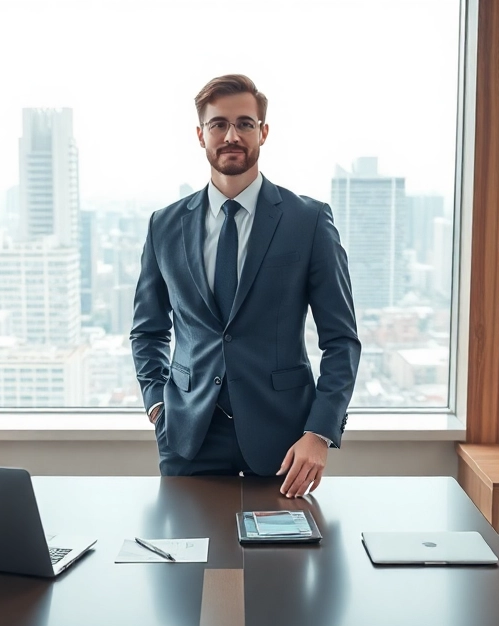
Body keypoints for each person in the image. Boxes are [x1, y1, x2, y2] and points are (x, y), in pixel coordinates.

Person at [130, 74, 360, 497]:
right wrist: (157, 403)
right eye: (218, 124)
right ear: (201, 135)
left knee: (285, 543)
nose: (231, 136)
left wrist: (319, 433)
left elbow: (341, 340)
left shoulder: (307, 221)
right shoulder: (164, 225)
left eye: (245, 124)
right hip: (188, 435)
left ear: (263, 132)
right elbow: (148, 330)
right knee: (185, 541)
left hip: (285, 440)